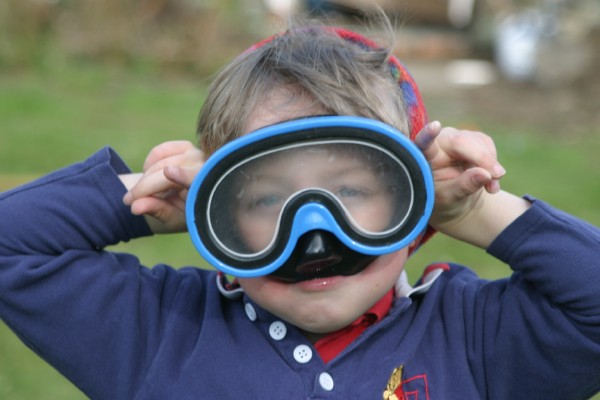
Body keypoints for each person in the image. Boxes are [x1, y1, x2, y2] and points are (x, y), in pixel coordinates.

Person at [1, 23, 599, 400]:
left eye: (353, 191)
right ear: (221, 212)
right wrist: (155, 204)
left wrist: (472, 210)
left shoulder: (472, 342)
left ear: (411, 200)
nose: (314, 234)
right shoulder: (164, 333)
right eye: (265, 199)